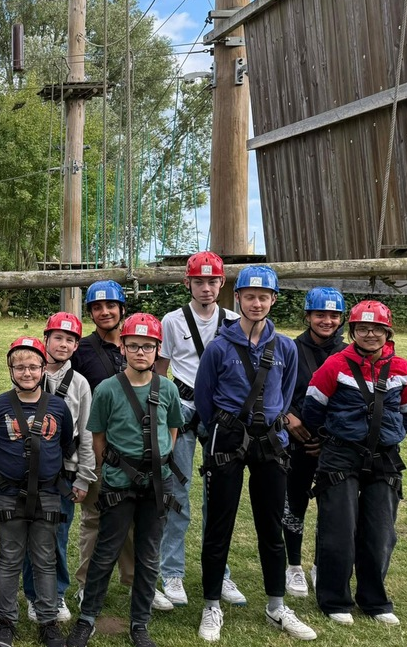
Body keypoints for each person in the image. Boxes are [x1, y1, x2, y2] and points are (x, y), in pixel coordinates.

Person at [194, 266, 316, 641]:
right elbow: (204, 396)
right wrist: (219, 432)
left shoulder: (286, 347)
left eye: (264, 297)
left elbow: (288, 386)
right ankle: (212, 604)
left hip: (270, 443)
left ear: (274, 299)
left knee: (271, 526)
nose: (257, 303)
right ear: (239, 299)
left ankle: (277, 605)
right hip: (227, 439)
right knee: (219, 525)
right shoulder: (218, 347)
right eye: (250, 296)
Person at [66, 314, 184, 647]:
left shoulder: (168, 389)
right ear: (123, 347)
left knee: (148, 554)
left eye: (148, 347)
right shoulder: (106, 390)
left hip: (158, 484)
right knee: (106, 551)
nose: (141, 353)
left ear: (157, 349)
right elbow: (98, 437)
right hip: (118, 481)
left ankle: (139, 623)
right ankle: (87, 618)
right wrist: (117, 467)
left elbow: (172, 430)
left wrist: (155, 461)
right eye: (134, 346)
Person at [303, 300, 407, 627]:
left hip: (384, 458)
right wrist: (338, 437)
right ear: (352, 331)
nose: (370, 334)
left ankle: (374, 601)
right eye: (363, 328)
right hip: (341, 455)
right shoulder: (334, 365)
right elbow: (313, 409)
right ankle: (334, 599)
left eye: (377, 329)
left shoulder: (402, 369)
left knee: (380, 532)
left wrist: (384, 435)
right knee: (339, 528)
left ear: (388, 332)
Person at [153, 253, 247, 608]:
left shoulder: (235, 321)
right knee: (177, 491)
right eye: (199, 282)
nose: (206, 289)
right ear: (187, 284)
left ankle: (218, 572)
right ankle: (172, 571)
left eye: (212, 282)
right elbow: (162, 370)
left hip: (222, 415)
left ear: (222, 284)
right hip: (183, 407)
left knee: (219, 498)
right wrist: (160, 414)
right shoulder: (173, 321)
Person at [0, 337, 75, 647]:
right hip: (8, 493)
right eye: (19, 367)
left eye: (33, 366)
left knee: (45, 558)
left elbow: (64, 444)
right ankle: (6, 620)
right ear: (10, 369)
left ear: (43, 368)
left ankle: (48, 621)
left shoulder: (58, 408)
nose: (27, 373)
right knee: (9, 557)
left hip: (48, 493)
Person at [72, 281, 147, 604]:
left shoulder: (138, 344)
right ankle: (86, 583)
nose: (105, 312)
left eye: (110, 306)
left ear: (122, 309)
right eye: (97, 308)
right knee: (93, 518)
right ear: (90, 312)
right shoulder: (83, 350)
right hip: (97, 446)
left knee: (133, 518)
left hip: (135, 447)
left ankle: (134, 581)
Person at [22, 313, 93, 623]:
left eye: (70, 339)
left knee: (58, 534)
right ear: (45, 338)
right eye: (58, 337)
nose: (63, 344)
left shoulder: (79, 384)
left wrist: (85, 476)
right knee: (28, 533)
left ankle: (58, 593)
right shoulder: (28, 374)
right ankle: (32, 595)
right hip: (29, 471)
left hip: (65, 470)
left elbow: (87, 431)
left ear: (76, 346)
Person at [281, 287, 347, 597]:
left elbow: (351, 403)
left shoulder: (349, 354)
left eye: (334, 315)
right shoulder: (289, 350)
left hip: (333, 444)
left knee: (332, 508)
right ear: (308, 316)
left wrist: (330, 437)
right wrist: (286, 418)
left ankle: (323, 565)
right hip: (295, 440)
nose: (327, 320)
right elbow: (273, 391)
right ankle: (293, 566)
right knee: (294, 503)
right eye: (320, 314)